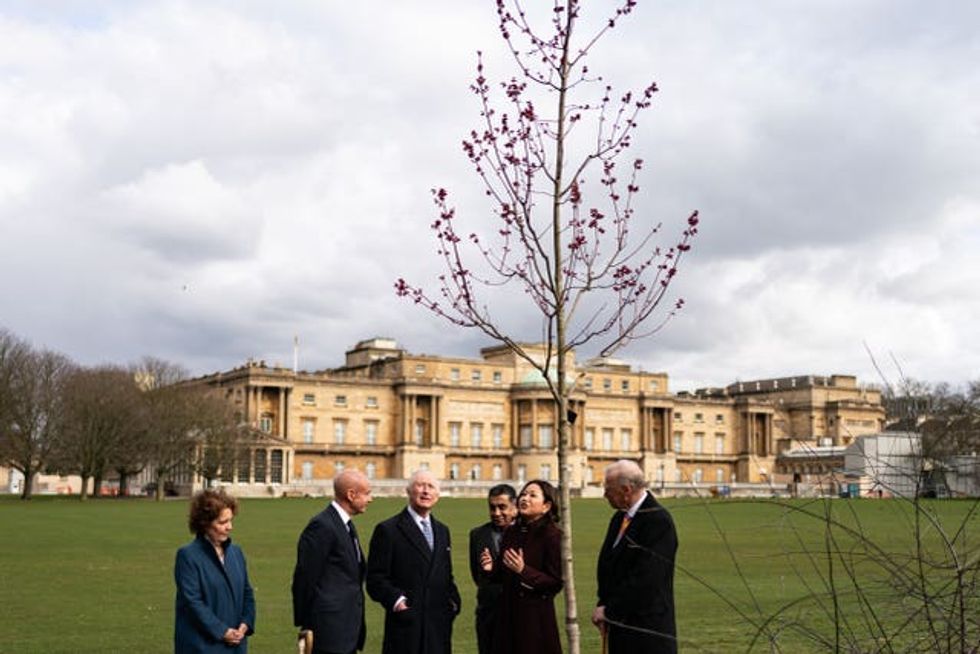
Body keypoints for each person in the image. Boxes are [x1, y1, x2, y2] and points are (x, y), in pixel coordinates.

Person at [366, 469, 461, 654]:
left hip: (438, 624)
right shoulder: (388, 530)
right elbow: (375, 579)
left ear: (438, 495)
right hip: (406, 625)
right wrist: (397, 601)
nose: (426, 491)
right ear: (408, 491)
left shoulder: (443, 531)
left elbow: (445, 573)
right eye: (420, 485)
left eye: (431, 487)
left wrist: (453, 601)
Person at [592, 460, 678, 653]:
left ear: (626, 490)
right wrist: (603, 603)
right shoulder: (619, 518)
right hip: (621, 625)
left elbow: (647, 579)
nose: (605, 494)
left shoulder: (658, 521)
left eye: (608, 489)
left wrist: (609, 611)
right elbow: (609, 566)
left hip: (646, 631)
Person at [292, 469, 373, 654]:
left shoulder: (345, 525)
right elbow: (305, 577)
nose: (371, 499)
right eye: (367, 493)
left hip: (347, 629)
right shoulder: (322, 526)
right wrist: (307, 624)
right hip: (329, 631)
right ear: (351, 495)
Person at [479, 479, 563, 654]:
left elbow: (555, 583)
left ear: (546, 506)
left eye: (533, 495)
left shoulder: (553, 536)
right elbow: (503, 575)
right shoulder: (512, 532)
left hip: (535, 619)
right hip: (507, 616)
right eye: (523, 494)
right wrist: (491, 569)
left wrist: (524, 571)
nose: (525, 498)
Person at [174, 488, 255, 653]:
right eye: (222, 522)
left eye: (230, 520)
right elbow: (193, 603)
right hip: (202, 646)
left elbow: (247, 593)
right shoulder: (188, 556)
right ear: (205, 524)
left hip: (236, 646)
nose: (229, 527)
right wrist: (222, 631)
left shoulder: (236, 553)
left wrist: (245, 624)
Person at [468, 484, 518, 654]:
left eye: (502, 507)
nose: (496, 513)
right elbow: (477, 575)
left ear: (515, 506)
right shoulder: (477, 535)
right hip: (488, 614)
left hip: (519, 613)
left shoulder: (528, 533)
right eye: (492, 507)